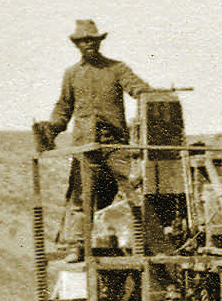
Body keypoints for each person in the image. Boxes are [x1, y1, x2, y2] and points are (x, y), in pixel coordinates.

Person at [42, 19, 156, 218]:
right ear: (77, 44)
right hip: (84, 148)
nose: (89, 43)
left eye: (93, 39)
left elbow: (136, 87)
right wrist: (52, 127)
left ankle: (140, 241)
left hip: (116, 147)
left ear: (100, 42)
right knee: (80, 201)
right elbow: (64, 107)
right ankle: (75, 247)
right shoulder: (72, 74)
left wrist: (145, 93)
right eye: (84, 40)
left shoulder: (117, 68)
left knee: (132, 193)